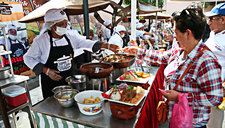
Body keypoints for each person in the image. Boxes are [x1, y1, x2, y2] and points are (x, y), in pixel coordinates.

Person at [124, 5, 223, 127]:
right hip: (175, 119)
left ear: (188, 33)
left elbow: (215, 97)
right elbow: (162, 57)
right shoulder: (180, 50)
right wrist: (137, 51)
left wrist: (181, 97)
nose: (174, 36)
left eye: (176, 32)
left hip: (191, 123)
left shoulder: (206, 61)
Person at [24, 9, 120, 99]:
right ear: (52, 25)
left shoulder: (70, 36)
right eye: (61, 24)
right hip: (51, 83)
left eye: (66, 24)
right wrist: (47, 71)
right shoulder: (41, 41)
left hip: (70, 81)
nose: (65, 27)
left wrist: (105, 45)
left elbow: (85, 43)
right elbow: (28, 58)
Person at [204, 3, 225, 128]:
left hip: (217, 90)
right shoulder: (213, 33)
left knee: (214, 124)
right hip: (205, 88)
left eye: (212, 19)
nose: (209, 22)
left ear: (223, 19)